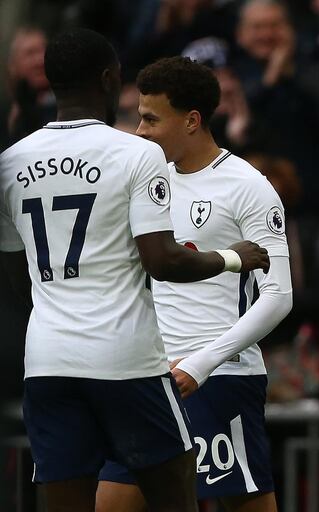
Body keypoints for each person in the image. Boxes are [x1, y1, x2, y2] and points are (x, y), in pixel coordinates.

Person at [0, 29, 270, 512]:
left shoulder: (10, 162)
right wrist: (235, 258)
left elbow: (14, 269)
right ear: (109, 78)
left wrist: (55, 305)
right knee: (173, 497)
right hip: (126, 361)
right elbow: (163, 261)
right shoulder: (135, 154)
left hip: (47, 360)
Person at [94, 56, 291, 512]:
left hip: (220, 378)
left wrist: (200, 365)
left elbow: (279, 296)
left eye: (150, 119)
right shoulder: (147, 181)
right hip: (150, 378)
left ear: (192, 121)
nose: (139, 131)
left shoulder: (247, 185)